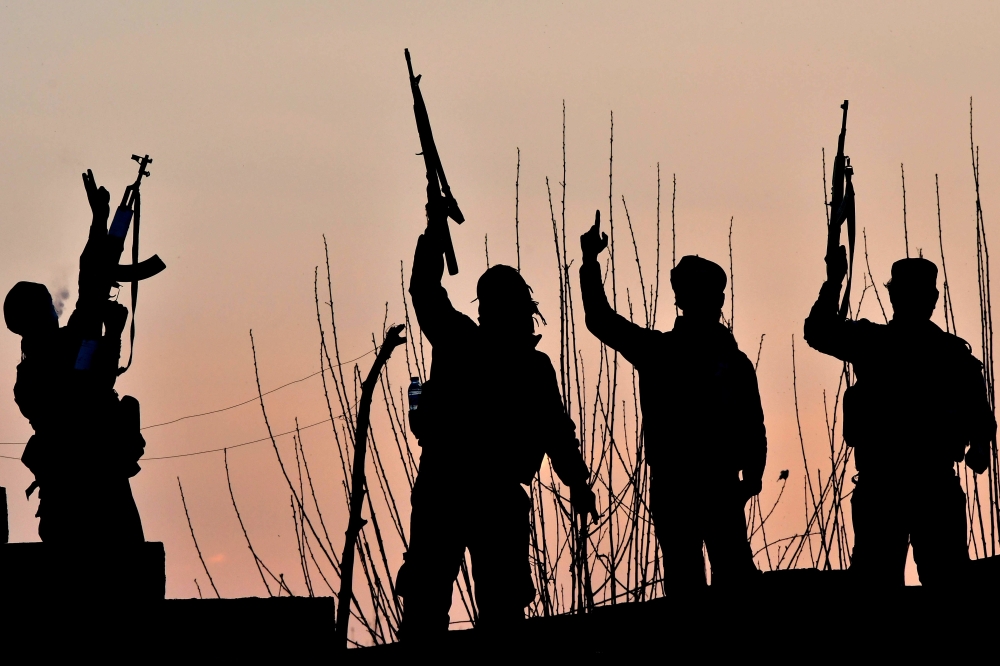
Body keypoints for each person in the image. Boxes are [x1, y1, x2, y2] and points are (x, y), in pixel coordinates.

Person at [396, 220, 597, 638]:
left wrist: (435, 236)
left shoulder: (469, 344)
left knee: (460, 608)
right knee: (442, 606)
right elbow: (558, 434)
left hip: (459, 493)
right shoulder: (497, 354)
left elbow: (557, 432)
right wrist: (577, 482)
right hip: (460, 492)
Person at [578, 212, 765, 586]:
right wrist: (589, 264)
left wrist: (753, 473)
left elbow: (752, 423)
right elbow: (600, 320)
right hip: (687, 485)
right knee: (698, 581)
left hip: (706, 485)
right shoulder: (671, 352)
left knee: (714, 580)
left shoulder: (701, 357)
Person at [804, 246, 994, 586]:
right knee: (894, 579)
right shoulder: (937, 352)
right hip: (896, 485)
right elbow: (818, 332)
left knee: (934, 578)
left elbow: (980, 419)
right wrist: (834, 281)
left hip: (914, 486)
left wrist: (835, 281)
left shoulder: (893, 346)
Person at [4, 169, 146, 545]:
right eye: (47, 306)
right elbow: (90, 388)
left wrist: (101, 224)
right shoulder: (53, 359)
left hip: (78, 492)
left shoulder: (29, 377)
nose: (54, 310)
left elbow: (92, 285)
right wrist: (99, 224)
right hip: (90, 489)